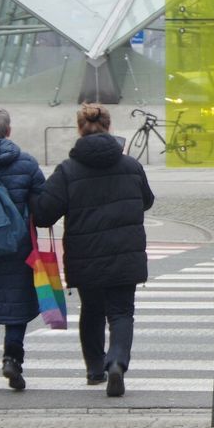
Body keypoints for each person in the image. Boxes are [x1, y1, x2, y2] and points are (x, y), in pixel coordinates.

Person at [32, 104, 154, 398]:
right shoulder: (131, 166)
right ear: (109, 127)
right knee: (122, 312)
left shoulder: (68, 170)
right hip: (126, 253)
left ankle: (95, 369)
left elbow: (44, 213)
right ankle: (117, 363)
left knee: (92, 311)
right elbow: (147, 201)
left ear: (79, 129)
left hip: (85, 255)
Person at [0, 107, 45, 393]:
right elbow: (43, 208)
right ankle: (12, 360)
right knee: (16, 306)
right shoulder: (26, 164)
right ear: (9, 131)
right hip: (17, 249)